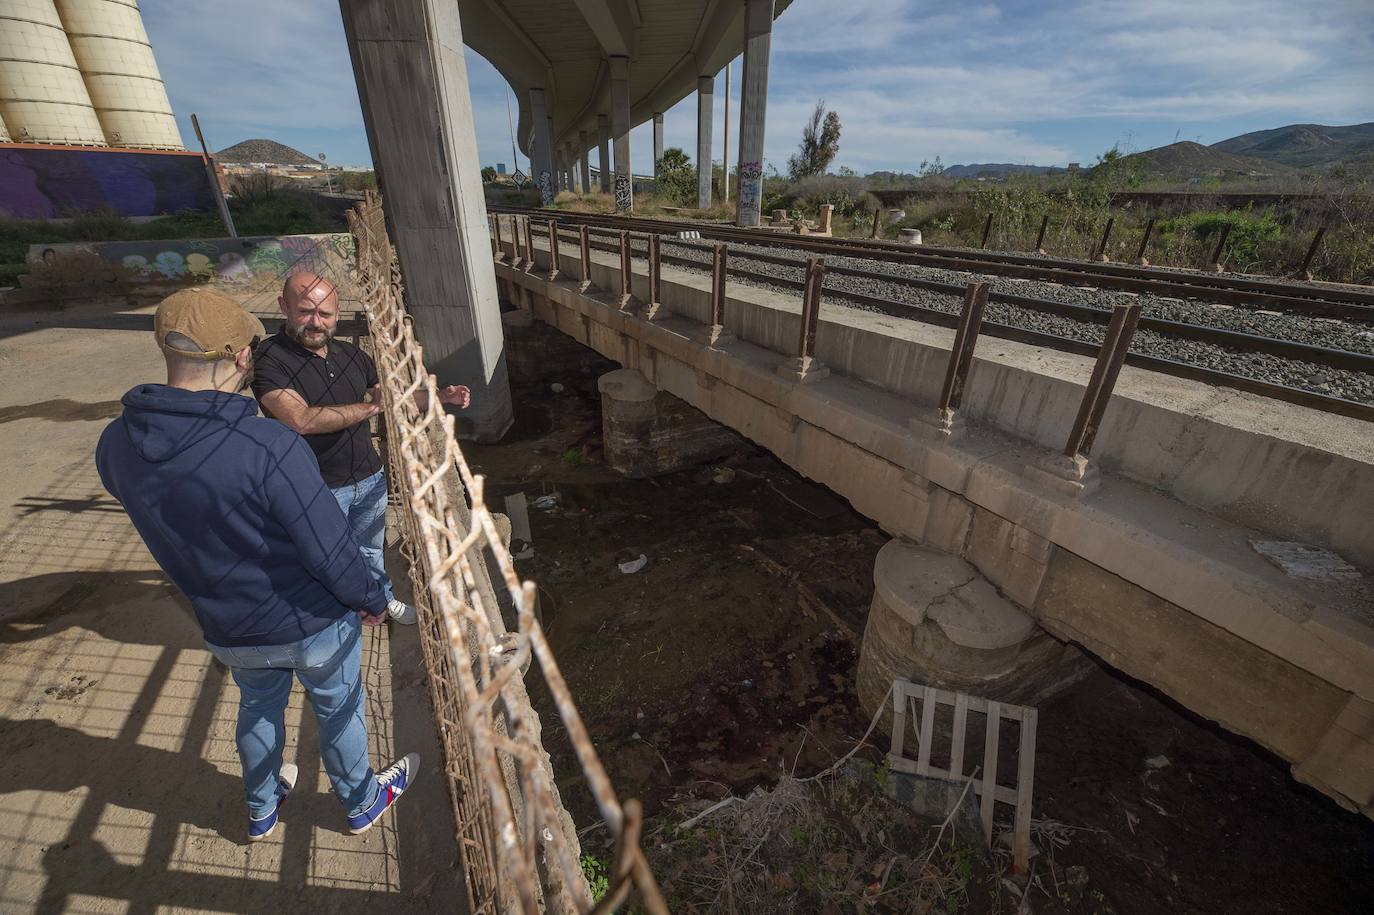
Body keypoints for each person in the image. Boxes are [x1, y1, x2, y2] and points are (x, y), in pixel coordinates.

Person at [96, 287, 418, 841]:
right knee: (340, 706)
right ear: (243, 356)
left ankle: (263, 807)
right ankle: (363, 801)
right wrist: (368, 598)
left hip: (227, 622)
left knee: (258, 707)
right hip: (310, 620)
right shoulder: (265, 443)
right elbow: (327, 548)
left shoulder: (115, 445)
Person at [251, 271, 471, 627]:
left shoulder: (351, 355)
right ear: (284, 307)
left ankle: (379, 602)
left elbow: (385, 396)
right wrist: (372, 408)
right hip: (316, 487)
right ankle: (336, 616)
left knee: (370, 548)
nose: (316, 322)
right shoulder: (270, 361)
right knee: (325, 557)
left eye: (325, 314)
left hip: (369, 476)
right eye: (305, 311)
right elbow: (301, 420)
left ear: (338, 313)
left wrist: (439, 397)